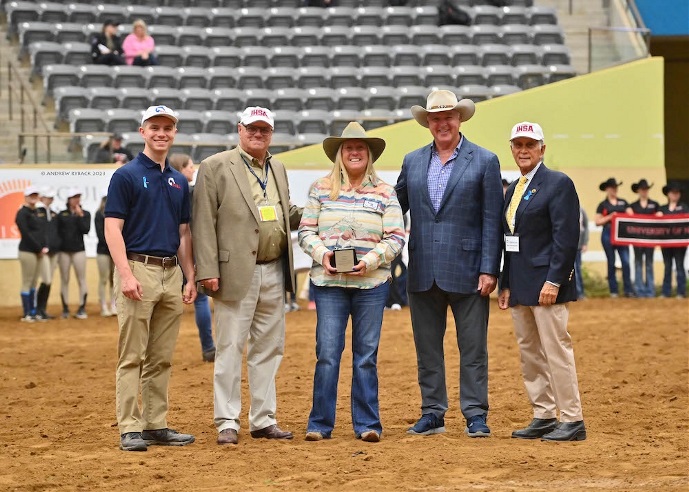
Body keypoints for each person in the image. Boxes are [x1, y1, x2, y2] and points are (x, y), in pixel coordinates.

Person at [395, 89, 503, 437]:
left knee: (473, 348)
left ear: (460, 119)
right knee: (427, 348)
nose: (443, 123)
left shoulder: (485, 160)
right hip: (423, 268)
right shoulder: (411, 161)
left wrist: (490, 268)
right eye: (436, 118)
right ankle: (433, 412)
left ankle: (475, 413)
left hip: (471, 270)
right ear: (428, 123)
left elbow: (492, 219)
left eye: (449, 116)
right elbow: (394, 209)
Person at [192, 106, 302, 446]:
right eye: (252, 128)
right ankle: (227, 420)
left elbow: (287, 214)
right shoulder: (214, 166)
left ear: (271, 133)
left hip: (274, 267)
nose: (258, 134)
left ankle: (263, 419)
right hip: (233, 273)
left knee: (269, 348)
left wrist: (327, 205)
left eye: (264, 129)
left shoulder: (279, 167)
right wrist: (207, 270)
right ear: (239, 129)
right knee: (229, 347)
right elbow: (203, 222)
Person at [298, 122, 405, 442]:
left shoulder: (386, 192)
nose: (355, 152)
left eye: (360, 148)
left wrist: (369, 261)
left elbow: (396, 237)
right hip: (328, 284)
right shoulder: (320, 188)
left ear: (369, 154)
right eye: (349, 148)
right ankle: (319, 423)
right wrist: (323, 256)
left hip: (371, 285)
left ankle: (367, 423)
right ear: (340, 154)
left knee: (366, 356)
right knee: (328, 353)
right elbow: (305, 232)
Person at [104, 105, 197, 452]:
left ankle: (155, 424)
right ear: (142, 132)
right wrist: (125, 274)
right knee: (132, 355)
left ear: (174, 133)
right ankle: (129, 427)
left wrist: (190, 276)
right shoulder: (126, 175)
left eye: (167, 128)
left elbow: (184, 232)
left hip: (171, 272)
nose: (161, 133)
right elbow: (112, 228)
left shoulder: (178, 181)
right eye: (154, 127)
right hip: (137, 267)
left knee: (161, 356)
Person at [497, 121, 586, 442]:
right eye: (518, 145)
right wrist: (505, 283)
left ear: (542, 149)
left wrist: (555, 281)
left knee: (556, 351)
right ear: (512, 149)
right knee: (530, 352)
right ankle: (544, 413)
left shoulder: (558, 183)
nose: (523, 150)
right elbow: (510, 240)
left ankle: (573, 418)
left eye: (529, 145)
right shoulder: (514, 189)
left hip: (547, 286)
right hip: (520, 286)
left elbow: (566, 237)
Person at [169, 152, 216, 362]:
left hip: (168, 250)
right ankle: (208, 348)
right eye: (189, 166)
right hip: (191, 249)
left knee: (165, 300)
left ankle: (157, 350)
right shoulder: (194, 192)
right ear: (180, 169)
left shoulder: (165, 190)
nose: (193, 169)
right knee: (201, 299)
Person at [595, 178, 633, 297]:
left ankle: (628, 290)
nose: (614, 189)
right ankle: (614, 291)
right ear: (607, 189)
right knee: (611, 262)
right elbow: (597, 221)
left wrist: (620, 216)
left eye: (615, 187)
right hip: (608, 232)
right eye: (612, 187)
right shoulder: (602, 205)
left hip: (622, 234)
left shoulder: (623, 202)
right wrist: (611, 217)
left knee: (626, 262)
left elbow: (631, 215)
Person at [56, 188, 91, 319]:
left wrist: (80, 215)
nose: (76, 199)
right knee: (64, 279)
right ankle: (65, 308)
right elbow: (58, 232)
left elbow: (86, 229)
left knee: (81, 279)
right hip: (63, 251)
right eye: (74, 197)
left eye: (78, 197)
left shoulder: (85, 214)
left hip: (79, 251)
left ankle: (82, 307)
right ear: (69, 199)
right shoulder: (61, 214)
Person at [15, 186, 47, 322]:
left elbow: (43, 231)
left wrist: (43, 246)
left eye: (35, 195)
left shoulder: (38, 211)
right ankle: (27, 312)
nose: (33, 197)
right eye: (31, 195)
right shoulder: (22, 213)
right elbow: (26, 234)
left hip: (38, 251)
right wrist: (39, 247)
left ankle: (33, 311)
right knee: (27, 281)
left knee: (34, 281)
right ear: (26, 197)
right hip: (28, 251)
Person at [627, 179, 659, 298]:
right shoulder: (633, 206)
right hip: (637, 240)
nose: (644, 191)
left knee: (649, 263)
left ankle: (650, 291)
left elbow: (660, 220)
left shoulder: (655, 205)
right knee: (638, 263)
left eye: (646, 189)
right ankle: (639, 290)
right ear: (638, 191)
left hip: (650, 240)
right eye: (642, 189)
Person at [656, 182, 688, 298]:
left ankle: (681, 291)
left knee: (679, 265)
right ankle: (666, 292)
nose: (675, 195)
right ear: (668, 194)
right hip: (666, 243)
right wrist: (658, 216)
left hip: (680, 244)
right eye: (673, 192)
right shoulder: (662, 208)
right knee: (667, 266)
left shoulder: (684, 207)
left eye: (677, 193)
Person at [35, 187, 60, 320]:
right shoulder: (37, 212)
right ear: (42, 198)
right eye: (48, 197)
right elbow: (38, 232)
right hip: (44, 251)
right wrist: (42, 246)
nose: (50, 199)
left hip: (53, 251)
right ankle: (38, 309)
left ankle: (42, 309)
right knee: (46, 280)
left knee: (49, 281)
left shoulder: (53, 212)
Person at [95, 192, 116, 317]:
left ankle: (114, 305)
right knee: (103, 279)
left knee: (114, 279)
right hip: (103, 250)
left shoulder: (117, 214)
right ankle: (103, 305)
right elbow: (100, 234)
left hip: (115, 250)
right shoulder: (99, 215)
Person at [574, 207, 589, 300]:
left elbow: (585, 227)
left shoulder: (581, 210)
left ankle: (579, 293)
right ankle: (577, 293)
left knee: (577, 269)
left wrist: (585, 243)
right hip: (567, 246)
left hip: (578, 245)